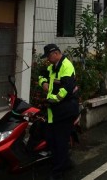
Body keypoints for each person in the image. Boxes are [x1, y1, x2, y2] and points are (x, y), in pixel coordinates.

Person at [38, 44, 79, 180]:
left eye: (49, 56)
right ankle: (65, 163)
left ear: (56, 53)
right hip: (54, 111)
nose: (47, 60)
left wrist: (53, 100)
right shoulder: (52, 67)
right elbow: (41, 74)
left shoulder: (66, 66)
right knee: (52, 139)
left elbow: (66, 89)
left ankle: (57, 173)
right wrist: (43, 82)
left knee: (59, 142)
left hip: (65, 110)